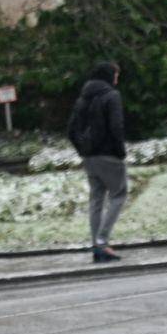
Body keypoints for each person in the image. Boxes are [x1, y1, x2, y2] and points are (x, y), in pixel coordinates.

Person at [66, 62, 128, 262]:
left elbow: (71, 130)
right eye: (116, 75)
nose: (117, 79)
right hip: (109, 155)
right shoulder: (112, 96)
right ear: (109, 76)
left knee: (96, 199)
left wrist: (83, 150)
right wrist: (120, 152)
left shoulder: (82, 99)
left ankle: (96, 244)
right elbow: (116, 127)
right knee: (119, 194)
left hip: (89, 157)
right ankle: (102, 241)